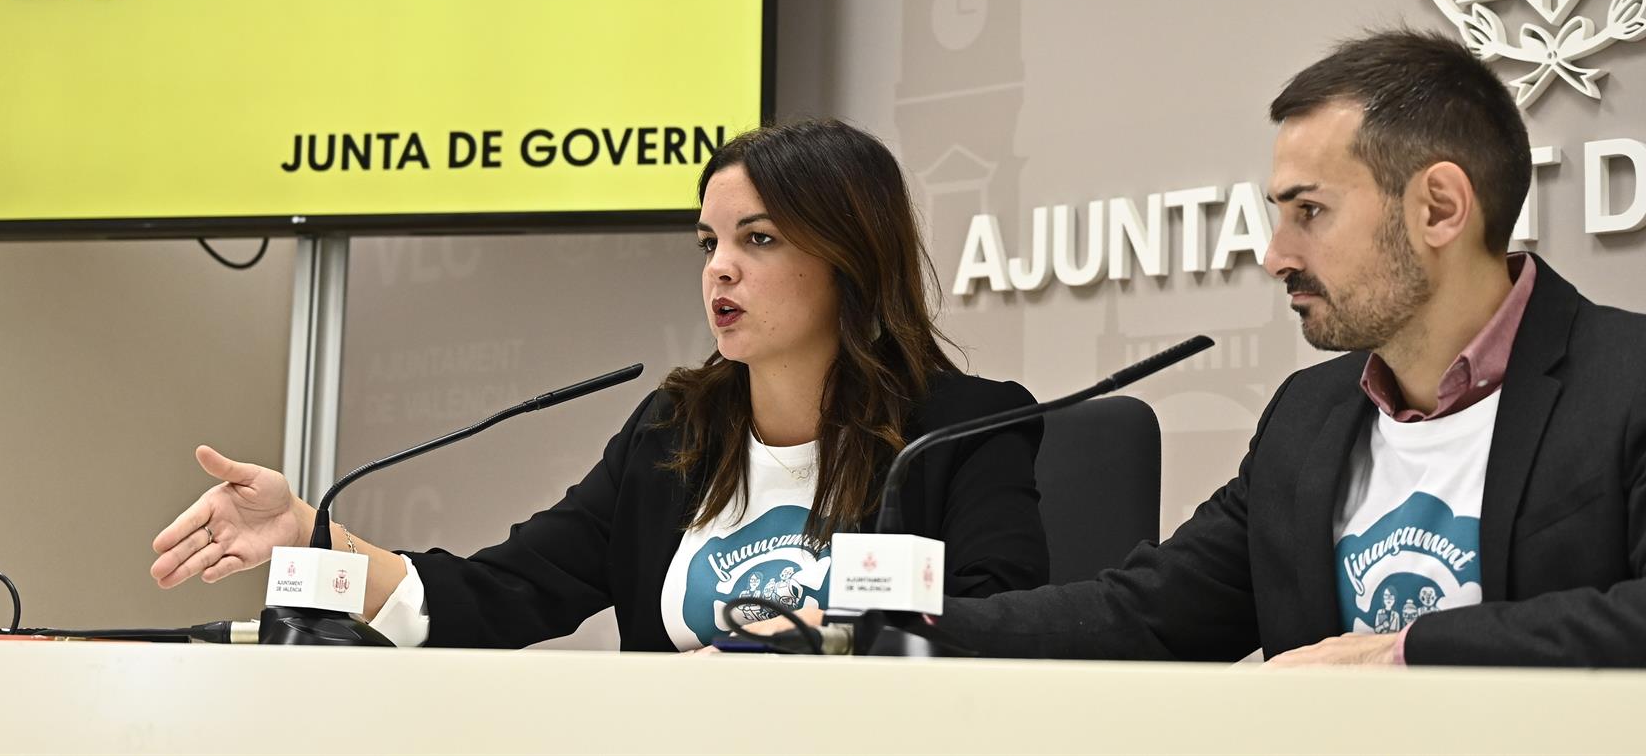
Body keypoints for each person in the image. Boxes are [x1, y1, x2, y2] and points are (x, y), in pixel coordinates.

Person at [796, 29, 1646, 667]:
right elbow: (1147, 612)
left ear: (1439, 207)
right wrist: (886, 622)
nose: (1274, 253)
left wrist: (1406, 648)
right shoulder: (1311, 415)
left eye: (1311, 212)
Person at [151, 118, 1048, 650]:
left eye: (758, 239)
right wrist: (314, 534)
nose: (720, 271)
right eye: (709, 243)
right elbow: (503, 591)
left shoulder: (958, 430)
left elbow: (1004, 625)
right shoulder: (676, 430)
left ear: (850, 255)